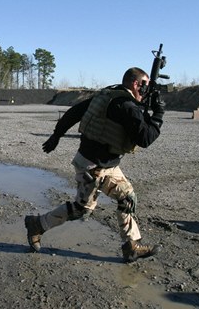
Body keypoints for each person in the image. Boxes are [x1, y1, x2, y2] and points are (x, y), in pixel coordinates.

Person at [24, 67, 165, 262]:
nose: (146, 91)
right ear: (136, 84)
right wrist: (158, 114)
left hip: (106, 163)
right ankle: (37, 224)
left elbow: (74, 112)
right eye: (145, 87)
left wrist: (56, 135)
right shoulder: (126, 105)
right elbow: (145, 138)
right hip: (93, 166)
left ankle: (132, 246)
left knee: (127, 198)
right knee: (81, 209)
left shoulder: (107, 96)